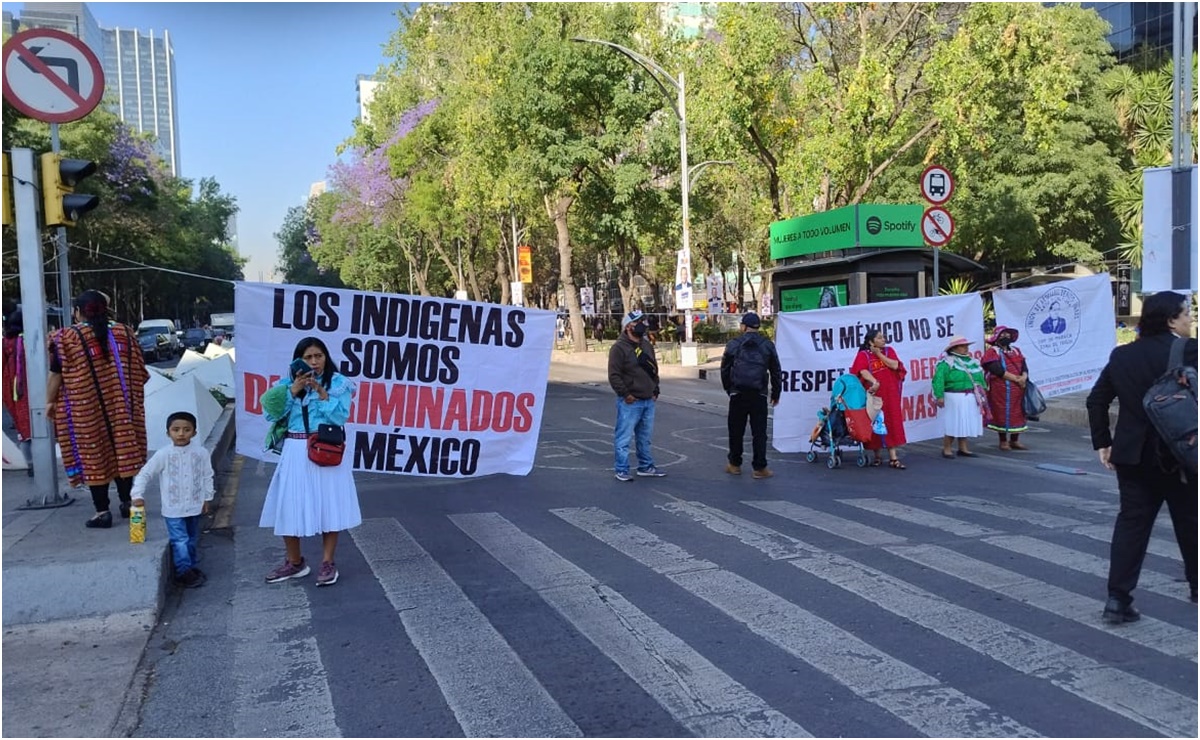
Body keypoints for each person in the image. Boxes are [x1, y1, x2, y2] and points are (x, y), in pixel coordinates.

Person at [1087, 291, 1197, 621]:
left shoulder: (1122, 356)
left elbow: (1096, 400)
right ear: (1170, 320)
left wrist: (1103, 442)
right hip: (1181, 454)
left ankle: (1118, 600)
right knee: (1191, 522)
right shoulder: (1190, 350)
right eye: (1187, 313)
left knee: (1132, 526)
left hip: (1132, 456)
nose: (1191, 319)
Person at [259, 337, 361, 586]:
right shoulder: (285, 385)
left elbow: (340, 416)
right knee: (289, 505)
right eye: (308, 357)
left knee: (329, 505)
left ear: (326, 357)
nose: (314, 362)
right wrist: (293, 390)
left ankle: (327, 562)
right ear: (298, 360)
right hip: (295, 449)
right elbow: (270, 412)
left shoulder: (339, 383)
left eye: (319, 356)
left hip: (326, 448)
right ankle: (295, 563)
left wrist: (320, 391)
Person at [46, 290, 150, 528]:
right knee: (122, 451)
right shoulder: (125, 332)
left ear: (77, 312)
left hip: (86, 410)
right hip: (123, 408)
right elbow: (141, 372)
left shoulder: (67, 338)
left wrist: (50, 401)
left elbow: (56, 375)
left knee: (94, 454)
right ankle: (126, 503)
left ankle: (102, 512)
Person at [130, 411, 214, 589]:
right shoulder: (163, 454)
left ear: (194, 432)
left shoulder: (201, 453)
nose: (181, 434)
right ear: (168, 433)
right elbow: (145, 474)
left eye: (186, 429)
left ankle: (190, 567)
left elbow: (207, 476)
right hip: (173, 509)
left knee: (191, 538)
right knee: (180, 540)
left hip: (195, 506)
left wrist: (208, 497)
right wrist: (137, 494)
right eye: (176, 430)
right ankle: (183, 572)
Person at [720, 313, 782, 479]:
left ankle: (734, 464)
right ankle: (759, 468)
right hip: (759, 393)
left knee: (736, 430)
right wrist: (776, 393)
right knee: (759, 432)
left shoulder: (733, 344)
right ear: (758, 327)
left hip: (738, 393)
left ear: (743, 326)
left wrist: (729, 389)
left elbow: (725, 369)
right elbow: (776, 371)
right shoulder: (767, 345)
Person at [607, 309, 666, 481]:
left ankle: (645, 466)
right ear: (627, 327)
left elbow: (653, 369)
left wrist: (656, 389)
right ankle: (622, 469)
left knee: (645, 438)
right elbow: (614, 375)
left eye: (643, 321)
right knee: (623, 438)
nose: (642, 325)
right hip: (630, 402)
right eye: (637, 322)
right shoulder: (618, 348)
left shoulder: (646, 345)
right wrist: (626, 394)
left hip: (648, 399)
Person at [852, 328, 908, 469]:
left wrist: (879, 354)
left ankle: (893, 458)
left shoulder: (889, 351)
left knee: (891, 422)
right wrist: (874, 382)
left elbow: (895, 365)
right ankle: (877, 456)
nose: (884, 339)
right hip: (873, 395)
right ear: (871, 341)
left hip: (890, 395)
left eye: (883, 337)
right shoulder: (863, 355)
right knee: (875, 424)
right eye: (879, 338)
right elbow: (862, 371)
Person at [932, 336, 987, 459]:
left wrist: (983, 391)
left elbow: (980, 379)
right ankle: (947, 448)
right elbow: (938, 379)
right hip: (954, 396)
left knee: (965, 421)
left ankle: (963, 448)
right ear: (954, 349)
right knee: (954, 421)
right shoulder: (946, 362)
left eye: (966, 346)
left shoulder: (972, 362)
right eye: (963, 346)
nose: (966, 348)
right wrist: (939, 396)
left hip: (970, 396)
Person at [981, 325, 1030, 450]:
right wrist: (1016, 379)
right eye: (1002, 335)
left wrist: (1023, 377)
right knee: (1001, 413)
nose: (1005, 337)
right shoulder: (992, 352)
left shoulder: (1016, 351)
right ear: (996, 337)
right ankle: (1003, 441)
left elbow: (1024, 366)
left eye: (1007, 334)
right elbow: (996, 369)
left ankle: (1015, 440)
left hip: (1018, 389)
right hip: (1000, 389)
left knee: (1018, 413)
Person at [2, 310, 33, 474]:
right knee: (38, 428)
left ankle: (29, 463)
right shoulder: (33, 338)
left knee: (24, 430)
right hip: (33, 388)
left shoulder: (6, 343)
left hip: (15, 391)